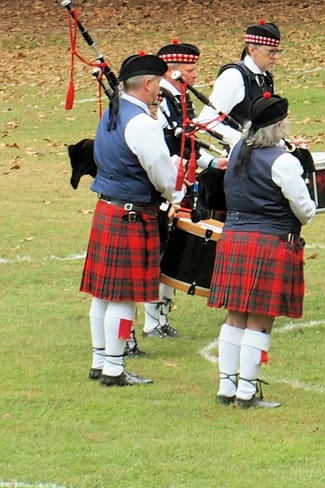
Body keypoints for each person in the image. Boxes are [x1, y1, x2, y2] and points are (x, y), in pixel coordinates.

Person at [208, 94, 314, 409]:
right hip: (270, 242)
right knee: (260, 320)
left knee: (235, 316)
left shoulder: (238, 148)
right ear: (279, 126)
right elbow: (306, 211)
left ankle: (226, 388)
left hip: (235, 238)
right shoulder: (283, 161)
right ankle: (246, 393)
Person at [80, 54, 179, 388]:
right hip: (132, 214)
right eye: (158, 86)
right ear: (149, 84)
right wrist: (175, 196)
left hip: (109, 209)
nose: (159, 93)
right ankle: (114, 368)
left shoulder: (113, 112)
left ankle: (100, 360)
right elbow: (161, 172)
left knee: (102, 296)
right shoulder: (142, 123)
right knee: (123, 298)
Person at [143, 39, 204, 339]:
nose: (194, 76)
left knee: (172, 250)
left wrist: (209, 162)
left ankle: (161, 316)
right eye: (190, 70)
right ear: (172, 70)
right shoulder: (160, 102)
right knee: (161, 251)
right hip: (168, 184)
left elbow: (188, 142)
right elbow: (163, 148)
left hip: (181, 180)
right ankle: (152, 320)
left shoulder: (179, 96)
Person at [201, 21, 281, 147]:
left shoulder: (265, 76)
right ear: (252, 49)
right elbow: (207, 121)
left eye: (278, 52)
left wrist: (283, 143)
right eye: (271, 52)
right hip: (242, 157)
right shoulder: (233, 77)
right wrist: (244, 141)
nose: (276, 57)